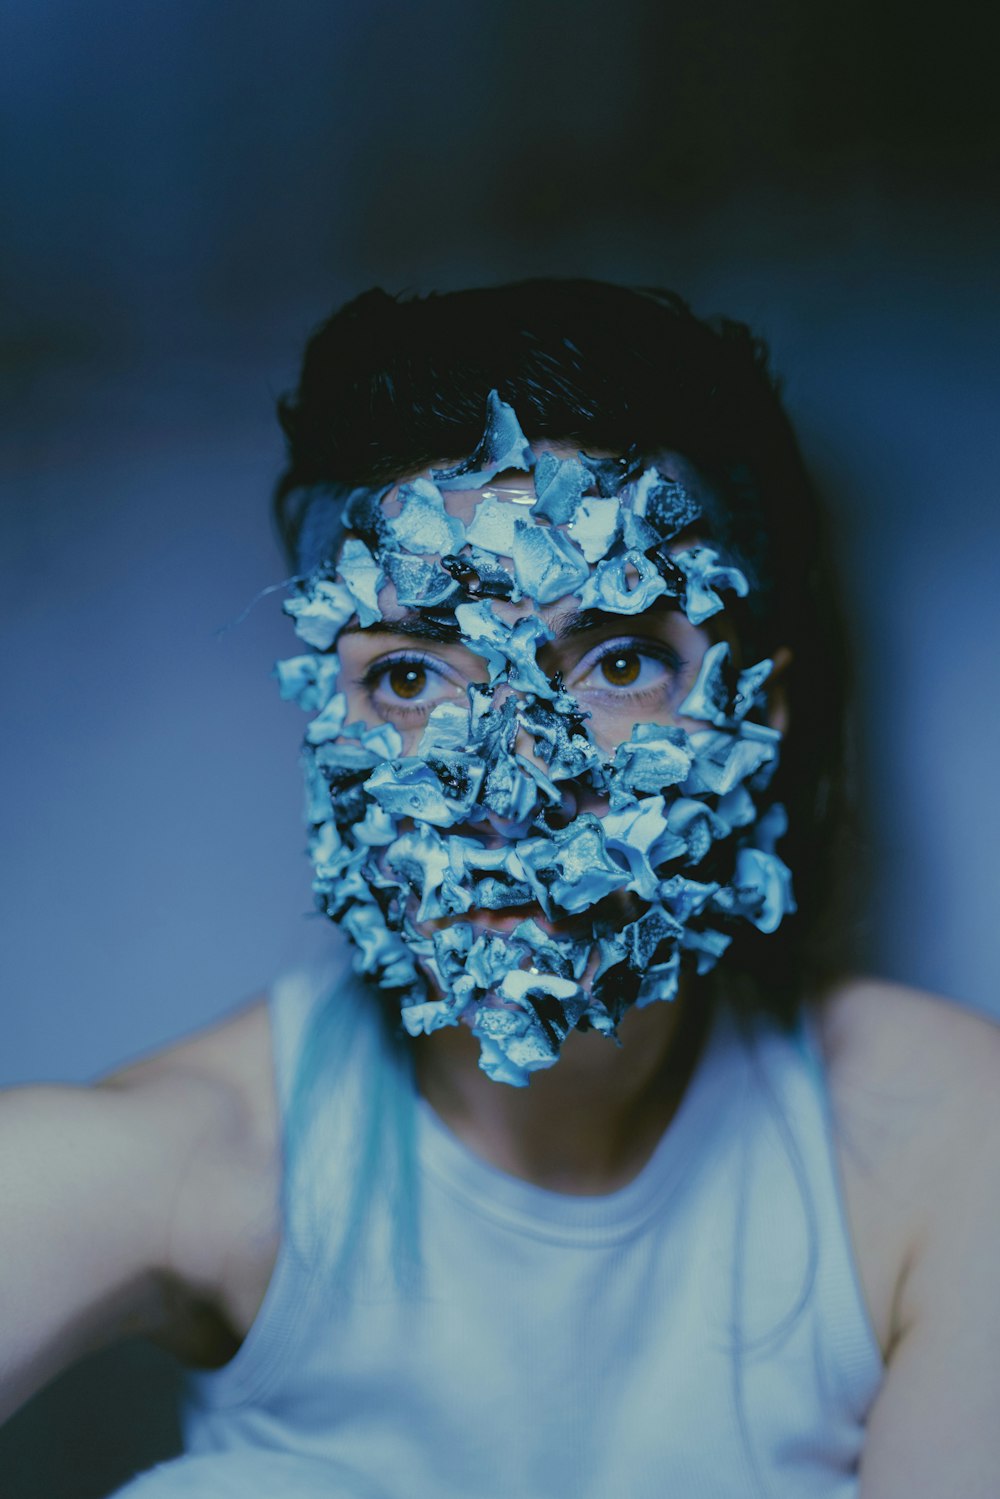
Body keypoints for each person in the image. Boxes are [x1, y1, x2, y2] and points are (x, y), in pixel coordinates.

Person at [2, 279, 998, 1499]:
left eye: (618, 659)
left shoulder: (950, 1146)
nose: (511, 778)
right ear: (329, 722)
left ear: (760, 711)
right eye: (411, 677)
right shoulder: (191, 1154)